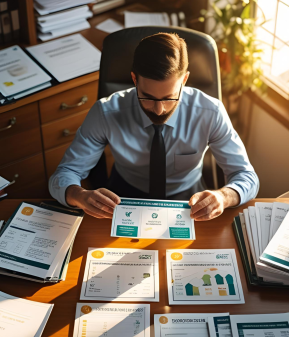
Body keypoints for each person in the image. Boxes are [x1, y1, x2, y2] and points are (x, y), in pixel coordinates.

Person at [48, 32, 259, 221]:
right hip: (123, 197)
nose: (158, 110)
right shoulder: (105, 113)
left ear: (184, 80)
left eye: (169, 98)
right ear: (134, 79)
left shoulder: (210, 112)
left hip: (189, 199)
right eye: (148, 97)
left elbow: (246, 176)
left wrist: (224, 196)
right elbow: (64, 174)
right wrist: (79, 194)